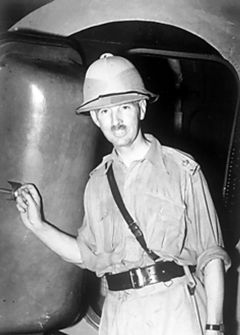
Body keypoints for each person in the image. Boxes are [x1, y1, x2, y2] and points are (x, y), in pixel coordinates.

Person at [15, 53, 230, 335]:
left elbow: (210, 255)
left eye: (124, 107)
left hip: (175, 311)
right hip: (120, 316)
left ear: (141, 108)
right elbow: (86, 254)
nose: (115, 120)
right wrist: (38, 225)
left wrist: (214, 326)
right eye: (104, 111)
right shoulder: (96, 184)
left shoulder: (182, 170)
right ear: (95, 118)